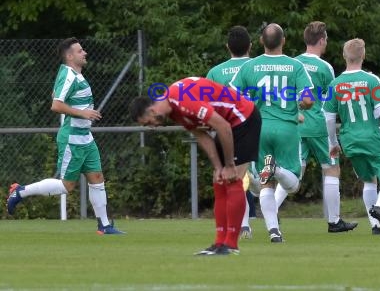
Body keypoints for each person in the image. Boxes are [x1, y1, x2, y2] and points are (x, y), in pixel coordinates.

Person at [130, 77, 261, 255]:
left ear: (151, 110)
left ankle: (231, 245)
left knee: (233, 179)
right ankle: (219, 242)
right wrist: (218, 167)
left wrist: (229, 164)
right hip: (228, 125)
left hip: (244, 119)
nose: (151, 127)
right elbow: (202, 135)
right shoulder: (174, 111)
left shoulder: (181, 100)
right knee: (219, 181)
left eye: (147, 123)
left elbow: (222, 126)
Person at [6, 38, 124, 234]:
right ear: (70, 56)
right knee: (66, 186)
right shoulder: (70, 75)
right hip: (72, 138)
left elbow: (56, 94)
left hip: (85, 137)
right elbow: (56, 105)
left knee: (97, 177)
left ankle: (104, 226)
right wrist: (83, 113)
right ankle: (21, 191)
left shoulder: (71, 74)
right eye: (80, 51)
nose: (84, 53)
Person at [230, 23, 314, 243]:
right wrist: (300, 106)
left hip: (260, 129)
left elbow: (233, 95)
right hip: (287, 128)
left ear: (260, 42)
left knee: (266, 183)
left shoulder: (249, 66)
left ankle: (274, 231)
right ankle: (276, 170)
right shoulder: (295, 66)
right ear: (283, 41)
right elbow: (307, 100)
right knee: (293, 184)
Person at [324, 38, 380, 235]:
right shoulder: (371, 80)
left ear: (344, 56)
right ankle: (379, 208)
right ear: (364, 55)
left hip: (350, 140)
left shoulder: (334, 84)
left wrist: (333, 143)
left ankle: (375, 227)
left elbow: (328, 118)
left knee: (369, 180)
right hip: (372, 138)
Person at [285, 21, 358, 233]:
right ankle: (334, 221)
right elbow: (330, 102)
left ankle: (271, 212)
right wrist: (335, 138)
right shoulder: (325, 67)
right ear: (322, 40)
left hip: (297, 125)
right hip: (318, 125)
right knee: (332, 168)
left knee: (293, 172)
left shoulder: (294, 63)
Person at [206, 25, 257, 240]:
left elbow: (207, 102)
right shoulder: (258, 67)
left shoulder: (215, 72)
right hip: (257, 125)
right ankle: (245, 223)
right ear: (251, 46)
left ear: (228, 47)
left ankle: (244, 222)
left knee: (238, 175)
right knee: (250, 174)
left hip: (228, 129)